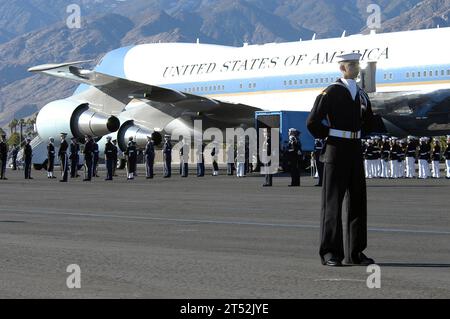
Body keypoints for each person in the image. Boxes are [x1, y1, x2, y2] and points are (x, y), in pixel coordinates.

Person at [306, 52, 375, 267]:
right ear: (342, 68)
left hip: (355, 149)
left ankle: (355, 252)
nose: (356, 67)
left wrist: (363, 130)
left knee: (358, 203)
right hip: (336, 150)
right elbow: (313, 121)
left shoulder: (361, 94)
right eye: (352, 64)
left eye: (357, 64)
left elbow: (369, 120)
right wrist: (330, 135)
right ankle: (330, 253)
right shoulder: (331, 92)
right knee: (332, 204)